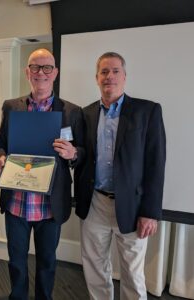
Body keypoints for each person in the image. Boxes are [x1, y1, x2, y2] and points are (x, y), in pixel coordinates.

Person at [0, 48, 85, 300]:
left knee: (47, 264)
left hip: (49, 205)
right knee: (16, 263)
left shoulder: (72, 111)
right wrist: (1, 155)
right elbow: (0, 142)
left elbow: (84, 153)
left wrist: (73, 153)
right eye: (35, 67)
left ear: (55, 73)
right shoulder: (11, 107)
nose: (41, 73)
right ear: (27, 72)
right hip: (17, 203)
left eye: (47, 68)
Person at [75, 52, 166, 300]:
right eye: (104, 72)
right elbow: (83, 156)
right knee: (95, 269)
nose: (109, 76)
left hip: (133, 207)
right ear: (97, 78)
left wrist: (150, 212)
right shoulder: (86, 113)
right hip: (95, 203)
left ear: (125, 76)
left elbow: (156, 165)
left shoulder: (147, 111)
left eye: (115, 71)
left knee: (132, 274)